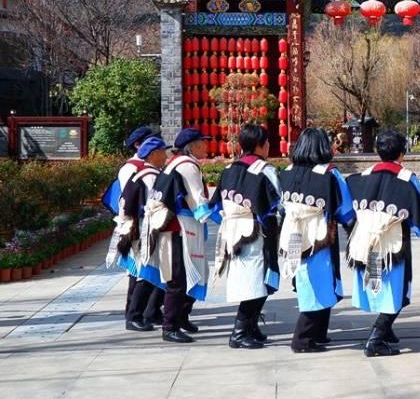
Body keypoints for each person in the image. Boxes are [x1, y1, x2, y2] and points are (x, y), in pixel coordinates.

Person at [345, 129, 420, 357]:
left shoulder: (360, 177)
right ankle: (375, 338)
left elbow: (347, 213)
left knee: (381, 287)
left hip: (365, 240)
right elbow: (419, 211)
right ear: (402, 153)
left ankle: (386, 330)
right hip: (393, 243)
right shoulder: (406, 178)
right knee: (397, 289)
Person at [279, 127, 354, 353]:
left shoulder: (287, 172)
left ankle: (319, 333)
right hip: (318, 234)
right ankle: (302, 339)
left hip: (292, 233)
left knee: (304, 279)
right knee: (319, 281)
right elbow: (345, 209)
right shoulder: (329, 174)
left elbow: (280, 207)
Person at [211, 124, 281, 349]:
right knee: (256, 280)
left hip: (232, 232)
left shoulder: (229, 169)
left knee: (250, 280)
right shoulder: (265, 170)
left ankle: (251, 326)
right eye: (267, 142)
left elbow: (216, 204)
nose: (268, 146)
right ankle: (239, 332)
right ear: (259, 145)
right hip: (255, 231)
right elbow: (278, 203)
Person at [142, 127, 216, 343]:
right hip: (179, 229)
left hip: (172, 228)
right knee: (178, 279)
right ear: (192, 146)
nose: (206, 146)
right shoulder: (188, 166)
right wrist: (223, 217)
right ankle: (170, 326)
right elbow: (198, 203)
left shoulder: (173, 163)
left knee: (187, 274)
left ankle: (181, 317)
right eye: (202, 142)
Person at [110, 136, 169, 332]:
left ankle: (143, 313)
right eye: (163, 152)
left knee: (144, 273)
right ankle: (134, 316)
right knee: (144, 274)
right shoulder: (149, 175)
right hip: (145, 230)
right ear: (153, 154)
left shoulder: (142, 172)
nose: (166, 156)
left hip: (139, 229)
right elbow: (155, 205)